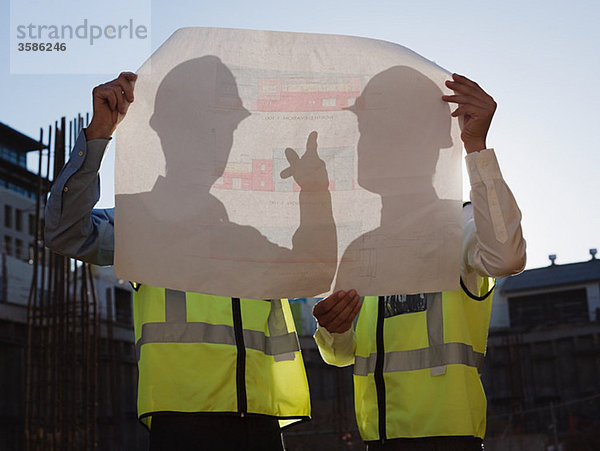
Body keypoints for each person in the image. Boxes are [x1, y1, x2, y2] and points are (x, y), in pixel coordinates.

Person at [44, 64, 336, 450]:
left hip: (262, 426)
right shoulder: (146, 222)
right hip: (183, 428)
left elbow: (312, 271)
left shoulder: (245, 237)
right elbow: (67, 232)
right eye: (203, 126)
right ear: (165, 131)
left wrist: (314, 194)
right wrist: (97, 136)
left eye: (226, 128)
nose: (218, 140)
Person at [313, 73, 526, 450]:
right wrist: (335, 329)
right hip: (376, 441)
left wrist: (476, 148)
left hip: (447, 441)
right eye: (365, 131)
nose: (366, 145)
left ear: (427, 143)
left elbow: (507, 257)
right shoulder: (360, 247)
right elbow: (340, 355)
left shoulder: (457, 226)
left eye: (382, 131)